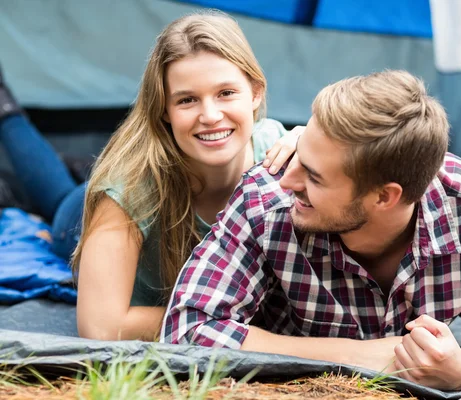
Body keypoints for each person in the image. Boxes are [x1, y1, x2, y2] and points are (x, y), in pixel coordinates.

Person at [161, 70, 461, 390]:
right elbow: (189, 331)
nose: (286, 180)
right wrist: (368, 356)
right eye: (299, 152)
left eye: (313, 175)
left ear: (384, 197)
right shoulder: (265, 201)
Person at [0, 11, 299, 341]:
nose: (211, 115)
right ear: (164, 110)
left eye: (226, 93)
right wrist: (220, 324)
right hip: (78, 218)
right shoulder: (129, 188)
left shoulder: (281, 152)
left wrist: (318, 143)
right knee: (60, 202)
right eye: (187, 100)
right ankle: (7, 114)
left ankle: (72, 166)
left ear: (255, 92)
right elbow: (101, 327)